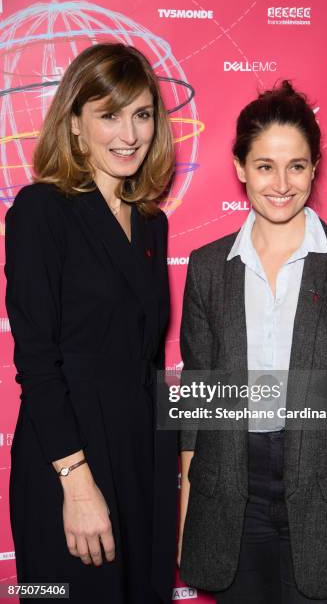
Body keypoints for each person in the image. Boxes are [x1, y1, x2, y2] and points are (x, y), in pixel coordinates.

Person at [177, 81, 327, 603]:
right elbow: (200, 401)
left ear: (314, 166)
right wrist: (190, 512)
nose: (281, 183)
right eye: (264, 166)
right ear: (240, 167)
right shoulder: (208, 267)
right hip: (231, 502)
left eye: (297, 166)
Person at [5, 43, 177, 604]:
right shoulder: (39, 211)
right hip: (67, 456)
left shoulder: (152, 225)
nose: (129, 133)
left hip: (142, 453)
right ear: (75, 125)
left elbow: (147, 359)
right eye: (109, 114)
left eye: (142, 114)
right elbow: (36, 362)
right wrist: (76, 482)